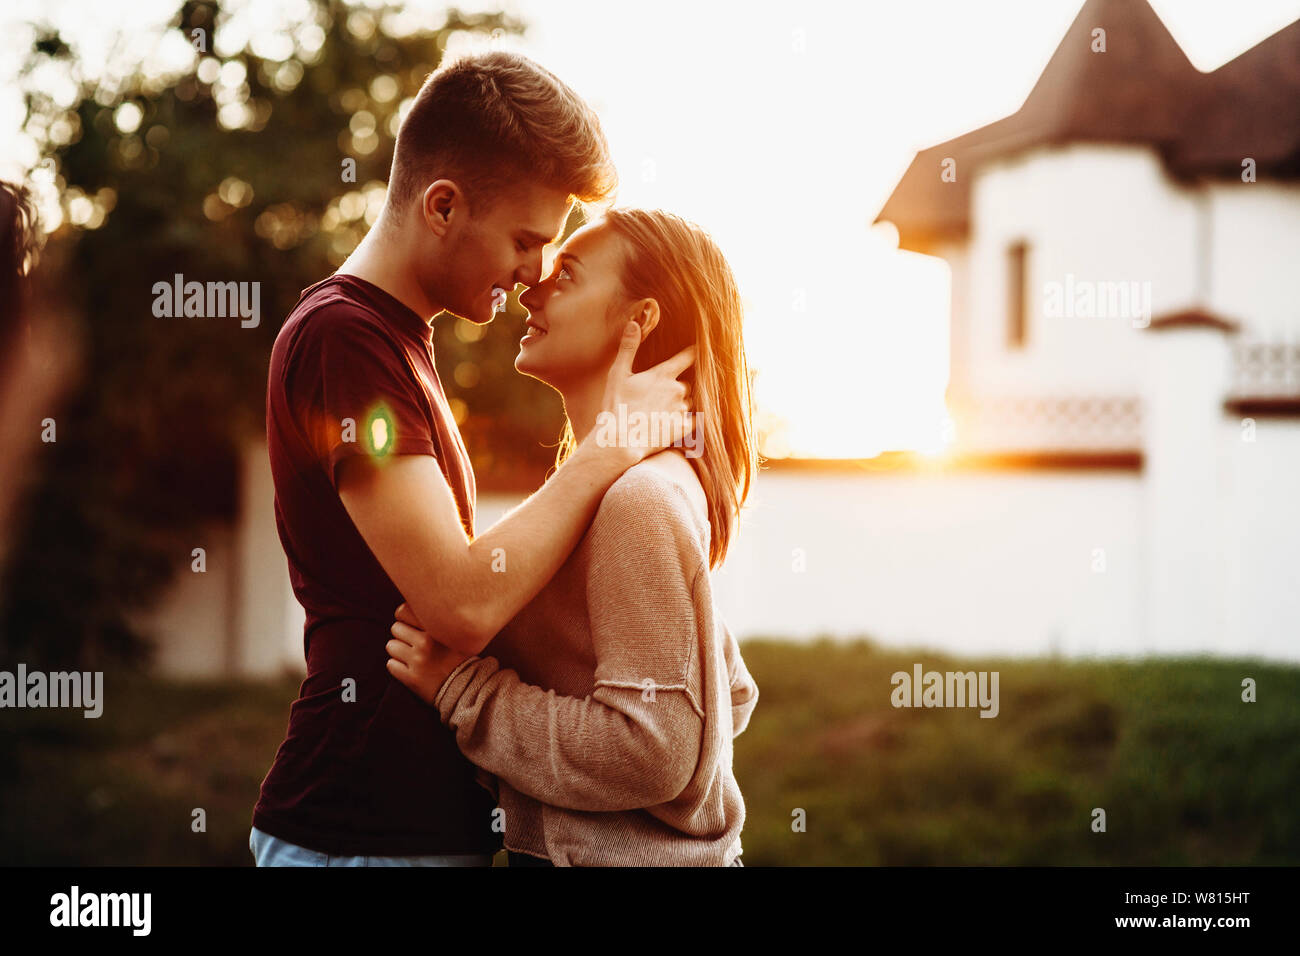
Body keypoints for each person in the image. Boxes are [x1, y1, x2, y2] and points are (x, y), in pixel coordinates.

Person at [249, 52, 694, 867]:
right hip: (356, 832)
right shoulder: (342, 340)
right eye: (528, 241)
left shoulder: (399, 344)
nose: (537, 274)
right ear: (443, 206)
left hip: (407, 833)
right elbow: (458, 602)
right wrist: (608, 448)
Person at [386, 208, 759, 866]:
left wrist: (465, 693)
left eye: (568, 276)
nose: (532, 289)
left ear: (637, 320)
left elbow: (656, 751)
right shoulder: (635, 486)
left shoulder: (638, 500)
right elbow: (726, 694)